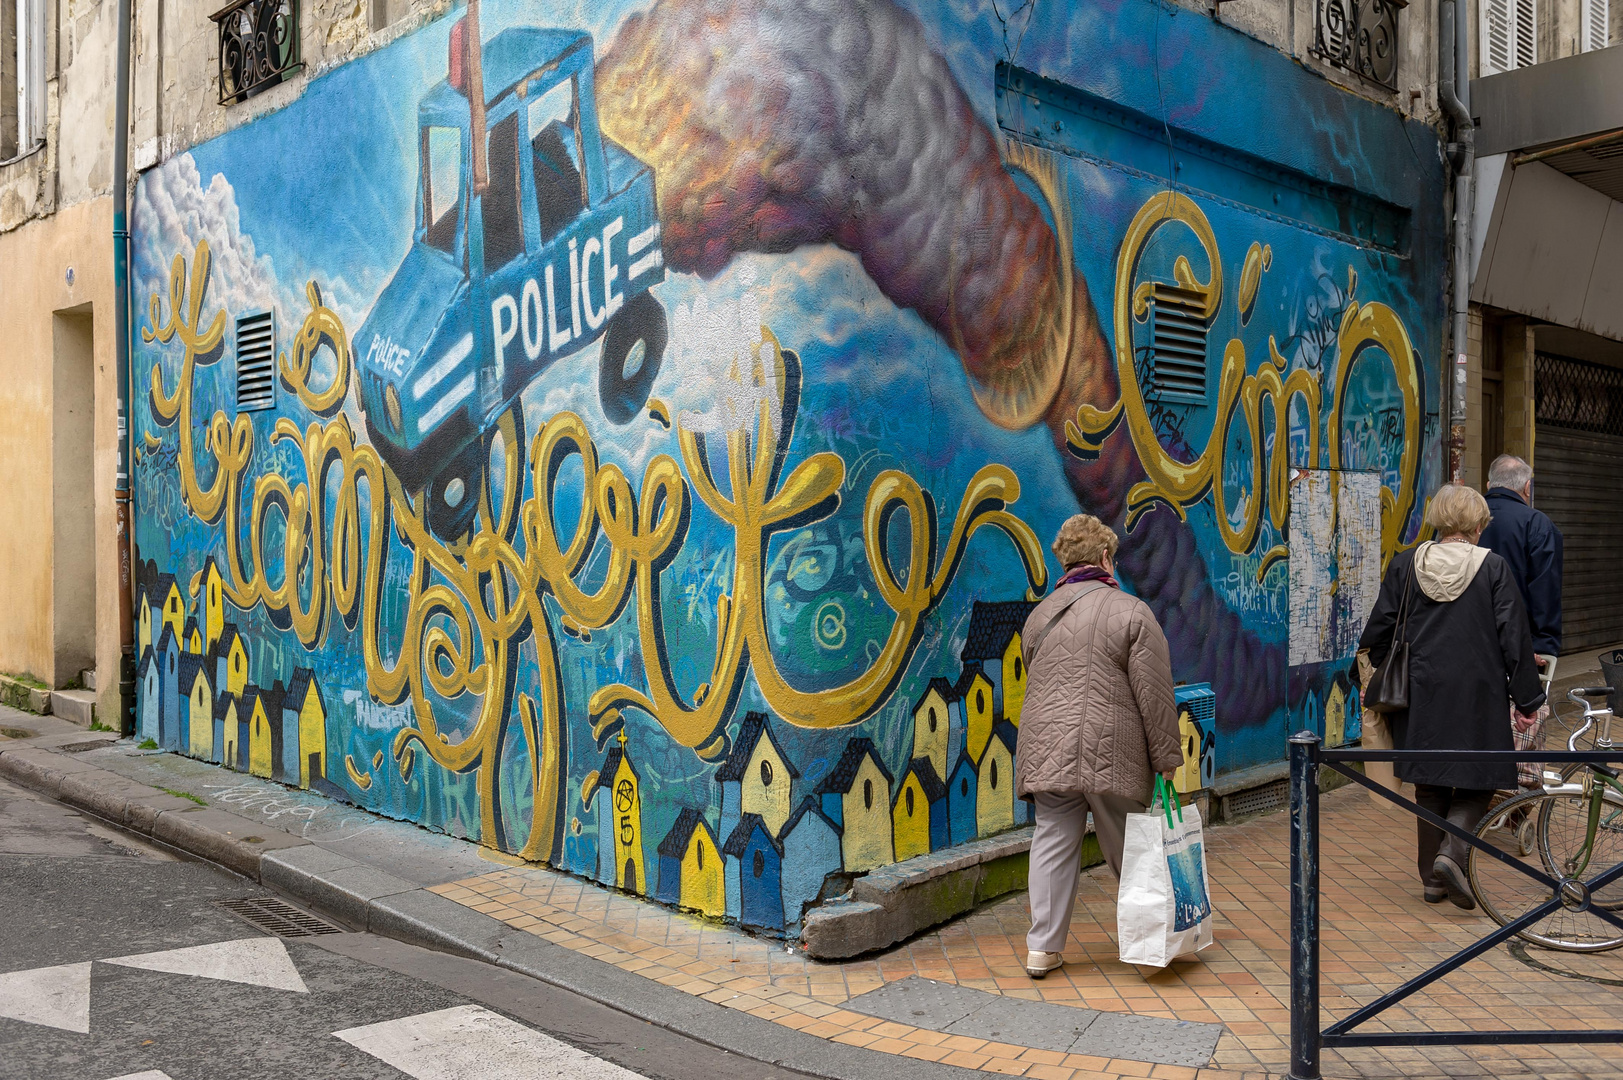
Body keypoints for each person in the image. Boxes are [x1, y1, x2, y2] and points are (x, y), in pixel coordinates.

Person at [1359, 484, 1546, 909]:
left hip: (1420, 692)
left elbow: (1378, 631)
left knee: (1430, 785)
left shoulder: (1407, 564)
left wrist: (1389, 674)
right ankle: (1452, 853)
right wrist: (1528, 701)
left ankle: (1432, 881)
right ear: (1479, 525)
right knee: (1483, 780)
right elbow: (1513, 639)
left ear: (1438, 521)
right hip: (1478, 693)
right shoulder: (1493, 568)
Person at [1015, 513, 1181, 977]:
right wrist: (1168, 759)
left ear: (1065, 562)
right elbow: (1155, 693)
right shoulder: (1131, 612)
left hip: (1047, 750)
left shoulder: (1039, 617)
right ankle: (1149, 949)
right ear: (1106, 557)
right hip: (1111, 751)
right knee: (1130, 849)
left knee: (1051, 841)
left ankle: (1042, 948)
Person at [1478, 454, 1563, 659]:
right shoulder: (1538, 525)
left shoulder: (1464, 518)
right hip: (1518, 645)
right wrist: (1544, 647)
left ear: (1489, 484)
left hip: (1470, 641)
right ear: (1527, 487)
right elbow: (1545, 591)